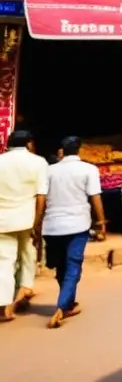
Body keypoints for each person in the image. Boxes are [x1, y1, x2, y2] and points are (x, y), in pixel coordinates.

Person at [41, 136, 106, 328]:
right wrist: (101, 222)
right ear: (80, 149)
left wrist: (38, 224)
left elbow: (41, 199)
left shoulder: (49, 171)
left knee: (62, 265)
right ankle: (62, 306)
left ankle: (68, 302)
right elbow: (95, 197)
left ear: (62, 150)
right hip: (78, 224)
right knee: (73, 265)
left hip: (52, 225)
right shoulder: (89, 169)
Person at [0, 130, 48, 321]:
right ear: (29, 143)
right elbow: (41, 196)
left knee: (4, 261)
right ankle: (24, 290)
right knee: (27, 255)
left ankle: (4, 304)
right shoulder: (38, 162)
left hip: (2, 219)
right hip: (26, 218)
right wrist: (38, 222)